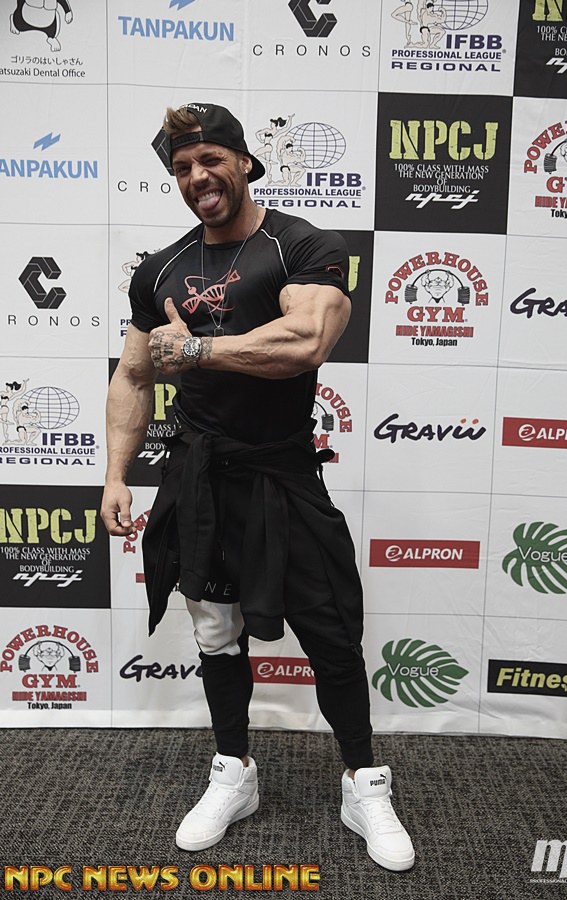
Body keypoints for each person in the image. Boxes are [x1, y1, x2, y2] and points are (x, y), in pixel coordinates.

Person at [101, 102, 415, 873]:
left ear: (244, 162)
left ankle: (362, 782)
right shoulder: (160, 270)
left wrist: (197, 351)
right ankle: (233, 770)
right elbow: (134, 375)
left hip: (282, 472)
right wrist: (114, 474)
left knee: (331, 632)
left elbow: (305, 341)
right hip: (199, 478)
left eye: (211, 159)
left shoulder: (301, 245)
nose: (197, 177)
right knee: (215, 631)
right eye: (181, 167)